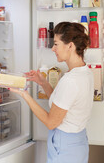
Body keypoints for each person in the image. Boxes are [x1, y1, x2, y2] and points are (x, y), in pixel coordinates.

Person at [11, 22, 94, 163]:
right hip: (78, 142)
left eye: (56, 44)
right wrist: (43, 82)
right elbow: (61, 104)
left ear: (70, 45)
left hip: (65, 146)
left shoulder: (70, 81)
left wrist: (24, 94)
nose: (53, 49)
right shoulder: (85, 72)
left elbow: (51, 122)